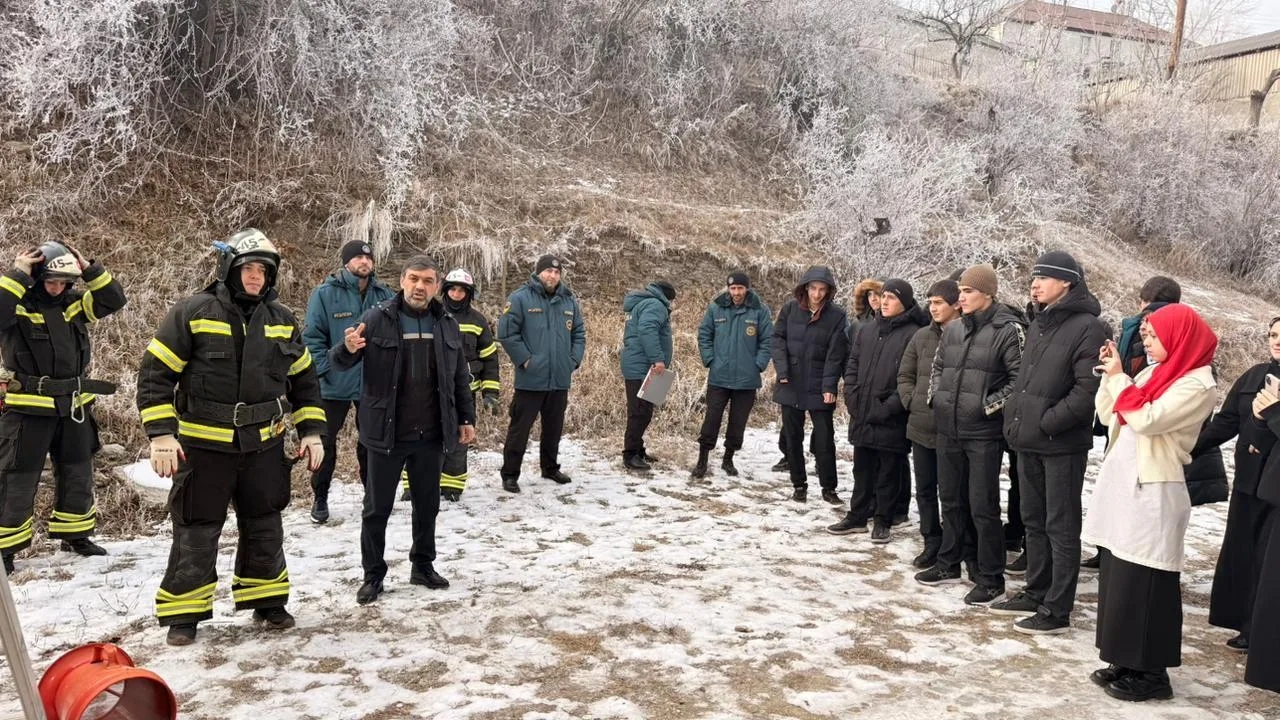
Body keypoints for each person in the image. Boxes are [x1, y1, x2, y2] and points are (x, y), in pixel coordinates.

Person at [140, 229, 326, 645]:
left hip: (264, 446)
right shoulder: (192, 312)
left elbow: (306, 384)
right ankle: (184, 614)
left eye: (264, 270)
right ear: (229, 269)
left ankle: (267, 600)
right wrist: (161, 435)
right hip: (203, 449)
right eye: (248, 268)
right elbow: (155, 376)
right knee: (197, 528)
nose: (256, 277)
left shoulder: (282, 321)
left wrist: (312, 431)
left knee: (265, 524)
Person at [1083, 304, 1218, 702]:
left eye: (1155, 337)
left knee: (1146, 580)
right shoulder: (1152, 372)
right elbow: (1112, 414)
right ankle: (1123, 658)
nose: (1148, 342)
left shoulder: (1197, 384)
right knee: (1119, 574)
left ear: (1179, 338)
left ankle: (1151, 673)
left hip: (1156, 487)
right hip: (1126, 482)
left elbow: (1148, 419)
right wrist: (1112, 378)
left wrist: (1122, 381)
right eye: (1146, 336)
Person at [330, 255, 476, 605]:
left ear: (437, 286)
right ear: (402, 281)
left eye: (427, 280)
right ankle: (373, 575)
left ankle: (422, 566)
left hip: (432, 434)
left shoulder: (447, 324)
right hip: (386, 434)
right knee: (376, 509)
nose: (420, 287)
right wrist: (347, 348)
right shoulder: (377, 319)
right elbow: (340, 361)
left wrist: (466, 419)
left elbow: (460, 379)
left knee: (427, 507)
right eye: (413, 279)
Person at [993, 252, 1109, 635]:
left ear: (1068, 283)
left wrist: (1046, 423)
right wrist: (1016, 418)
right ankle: (1035, 589)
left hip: (1060, 444)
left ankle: (1057, 608)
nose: (1035, 283)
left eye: (1044, 277)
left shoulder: (1090, 327)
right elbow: (1024, 382)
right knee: (1033, 522)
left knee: (1060, 526)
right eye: (1034, 276)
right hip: (1028, 440)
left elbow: (1087, 390)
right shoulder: (1039, 321)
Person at [0, 241, 126, 574]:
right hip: (28, 408)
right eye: (51, 282)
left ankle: (76, 536)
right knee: (18, 478)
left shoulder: (73, 303)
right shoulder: (18, 305)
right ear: (38, 277)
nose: (57, 289)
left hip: (74, 406)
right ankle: (5, 548)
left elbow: (114, 299)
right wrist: (17, 274)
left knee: (77, 471)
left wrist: (90, 269)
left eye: (63, 283)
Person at [915, 263, 1024, 607]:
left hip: (983, 434)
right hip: (948, 428)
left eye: (969, 292)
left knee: (982, 505)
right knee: (951, 500)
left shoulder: (1008, 330)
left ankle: (991, 577)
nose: (961, 297)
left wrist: (985, 407)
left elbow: (1018, 381)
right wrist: (937, 397)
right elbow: (938, 367)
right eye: (960, 291)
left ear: (988, 294)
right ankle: (949, 563)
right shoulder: (955, 329)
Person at [1191, 316, 1280, 653]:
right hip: (1247, 481)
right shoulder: (1254, 376)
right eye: (1272, 334)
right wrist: (1188, 447)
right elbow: (1226, 422)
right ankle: (1244, 623)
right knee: (1242, 553)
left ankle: (1261, 629)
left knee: (1266, 559)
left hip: (1276, 490)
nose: (1277, 341)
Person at [302, 240, 394, 523]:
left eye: (368, 259)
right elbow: (312, 339)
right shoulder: (324, 294)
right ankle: (320, 497)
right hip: (334, 384)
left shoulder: (386, 295)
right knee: (325, 443)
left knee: (371, 442)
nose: (364, 262)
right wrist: (324, 370)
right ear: (346, 263)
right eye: (357, 258)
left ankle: (372, 496)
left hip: (372, 384)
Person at [830, 279, 927, 541]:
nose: (884, 302)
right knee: (861, 469)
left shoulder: (914, 334)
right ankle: (857, 516)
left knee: (888, 472)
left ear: (904, 303)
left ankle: (883, 519)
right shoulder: (867, 330)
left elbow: (913, 379)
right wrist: (851, 397)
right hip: (862, 411)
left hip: (890, 416)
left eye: (891, 298)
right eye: (882, 297)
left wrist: (888, 407)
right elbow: (853, 366)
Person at [400, 268, 500, 501]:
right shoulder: (430, 315)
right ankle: (412, 486)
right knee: (419, 438)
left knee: (459, 440)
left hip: (465, 394)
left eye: (462, 290)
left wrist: (491, 391)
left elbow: (490, 358)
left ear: (469, 294)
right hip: (429, 392)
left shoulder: (478, 321)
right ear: (444, 290)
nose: (456, 294)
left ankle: (452, 487)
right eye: (452, 289)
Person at [497, 255, 586, 493]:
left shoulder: (568, 301)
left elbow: (579, 333)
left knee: (554, 427)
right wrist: (525, 360)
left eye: (557, 273)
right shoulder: (520, 298)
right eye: (548, 271)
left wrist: (573, 360)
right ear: (538, 273)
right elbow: (506, 334)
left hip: (559, 379)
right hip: (530, 380)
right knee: (520, 429)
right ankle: (510, 474)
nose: (553, 276)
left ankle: (549, 468)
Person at [897, 279, 961, 569]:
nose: (932, 308)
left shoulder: (967, 336)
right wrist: (911, 400)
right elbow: (905, 374)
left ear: (956, 304)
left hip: (953, 431)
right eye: (931, 302)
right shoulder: (921, 336)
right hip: (921, 427)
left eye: (939, 303)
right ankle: (930, 541)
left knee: (952, 494)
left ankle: (954, 546)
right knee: (924, 490)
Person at [773, 266, 847, 504]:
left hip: (819, 383)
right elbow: (777, 340)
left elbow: (836, 354)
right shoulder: (790, 309)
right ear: (806, 287)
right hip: (791, 381)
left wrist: (829, 387)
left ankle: (829, 488)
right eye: (813, 288)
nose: (817, 294)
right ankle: (799, 485)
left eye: (822, 289)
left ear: (828, 291)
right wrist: (782, 370)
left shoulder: (836, 316)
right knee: (793, 437)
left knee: (825, 438)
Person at [694, 272, 773, 479]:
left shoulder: (759, 310)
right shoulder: (716, 308)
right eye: (732, 288)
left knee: (738, 422)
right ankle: (702, 460)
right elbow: (704, 334)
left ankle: (728, 459)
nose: (736, 292)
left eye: (740, 288)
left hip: (747, 380)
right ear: (728, 289)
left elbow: (768, 341)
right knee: (711, 419)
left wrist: (758, 365)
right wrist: (710, 360)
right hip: (719, 376)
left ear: (747, 288)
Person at [620, 280, 675, 471]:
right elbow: (647, 330)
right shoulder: (656, 305)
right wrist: (658, 359)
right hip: (644, 366)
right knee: (639, 412)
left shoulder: (646, 302)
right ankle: (630, 455)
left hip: (646, 366)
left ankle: (638, 449)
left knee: (645, 411)